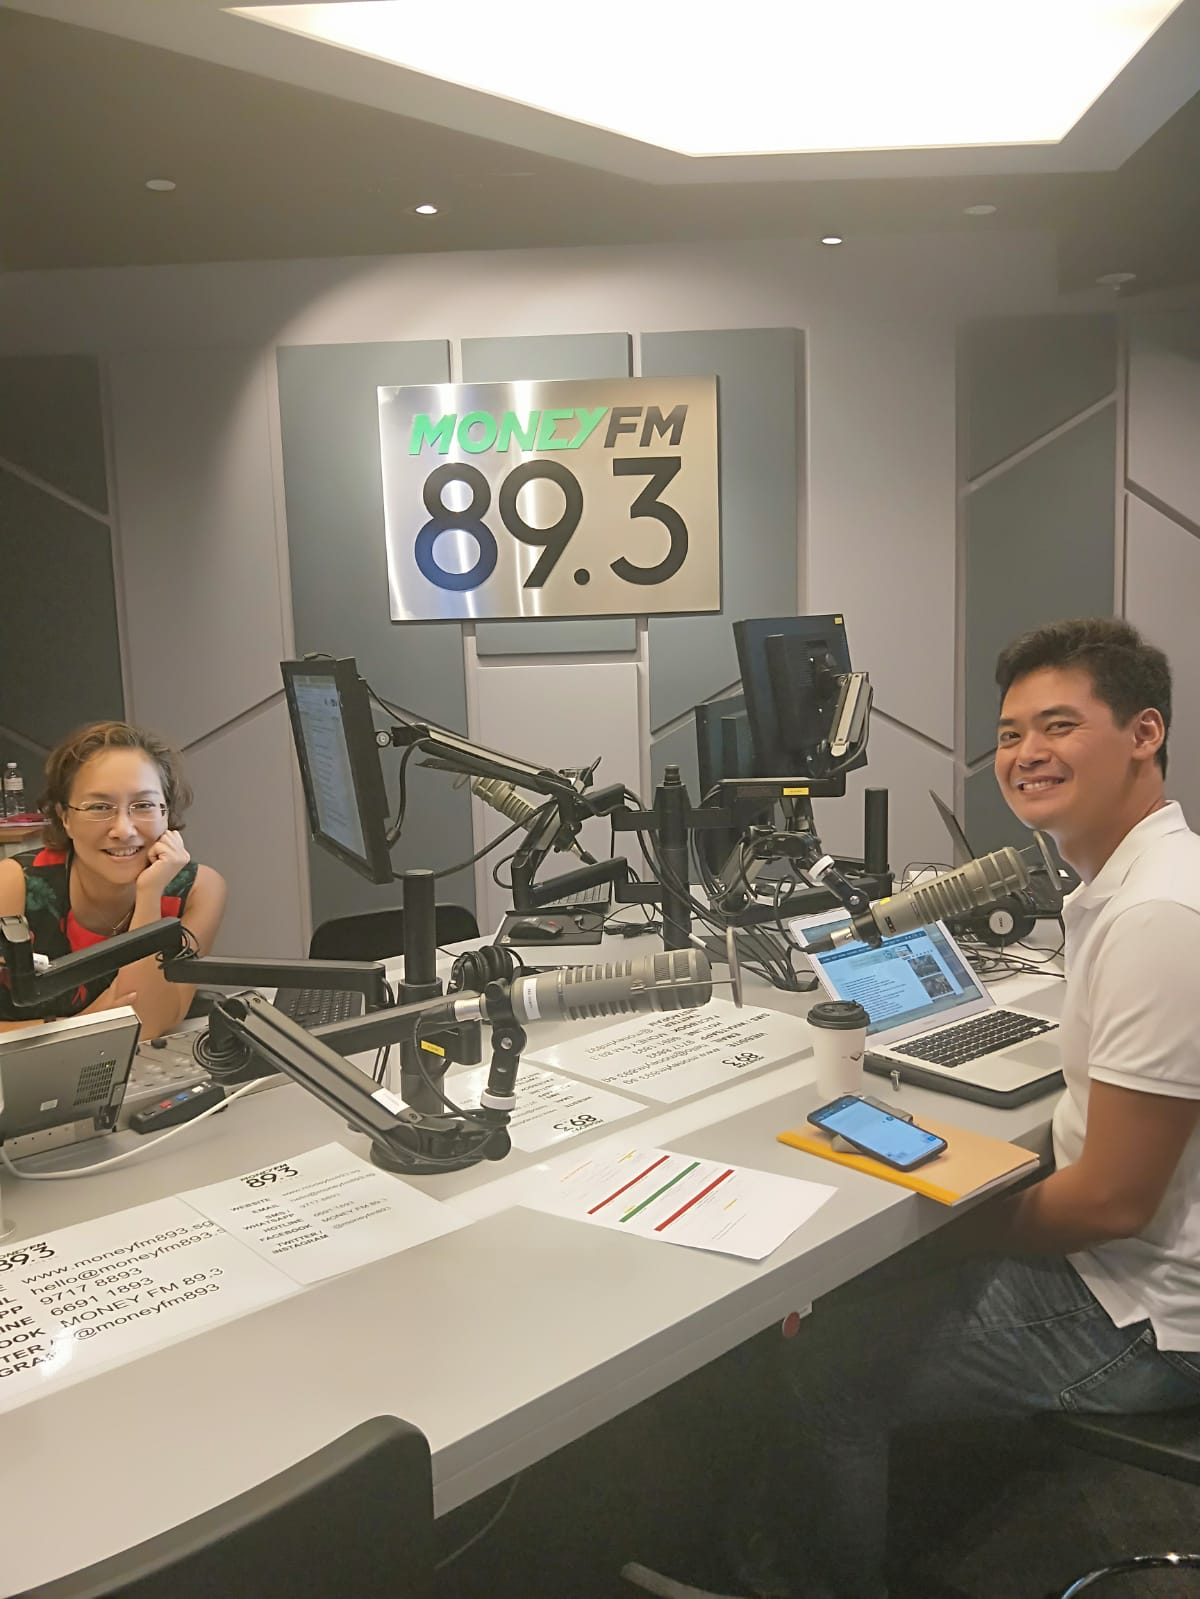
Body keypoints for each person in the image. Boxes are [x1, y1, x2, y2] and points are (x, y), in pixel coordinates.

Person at [0, 720, 226, 1041]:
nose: (124, 830)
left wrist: (149, 895)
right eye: (99, 807)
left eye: (143, 805)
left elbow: (147, 1024)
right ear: (65, 817)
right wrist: (87, 1021)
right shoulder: (13, 885)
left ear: (166, 813)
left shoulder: (200, 890)